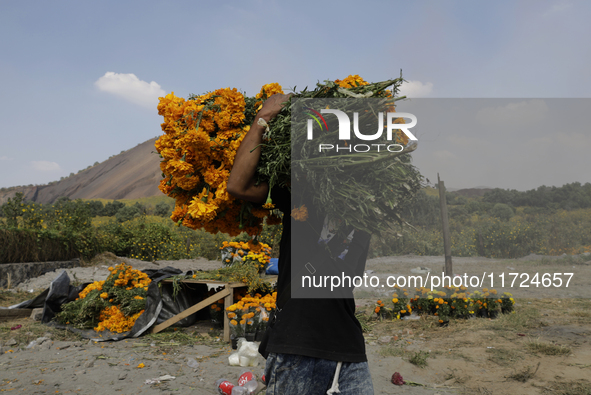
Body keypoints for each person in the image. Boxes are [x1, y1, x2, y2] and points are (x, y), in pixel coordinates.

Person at [227, 94, 374, 395]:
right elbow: (238, 186)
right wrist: (262, 120)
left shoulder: (366, 213)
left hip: (348, 348)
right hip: (296, 345)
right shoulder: (300, 191)